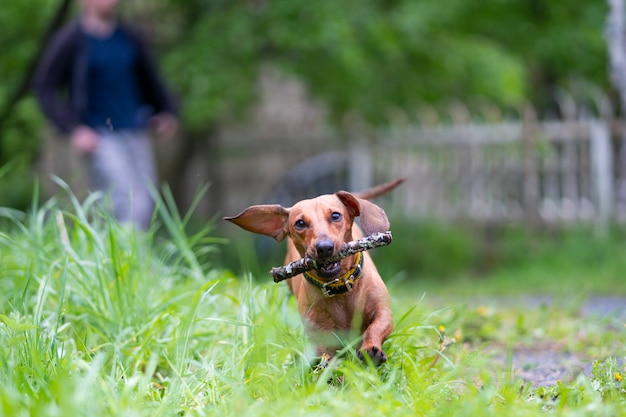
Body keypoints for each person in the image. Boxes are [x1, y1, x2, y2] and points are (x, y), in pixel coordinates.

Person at [34, 0, 178, 230]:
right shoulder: (72, 40)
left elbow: (152, 80)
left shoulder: (129, 36)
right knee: (127, 202)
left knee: (146, 202)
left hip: (136, 129)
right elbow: (45, 87)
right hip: (100, 135)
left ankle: (121, 259)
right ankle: (126, 261)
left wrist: (167, 112)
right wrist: (74, 128)